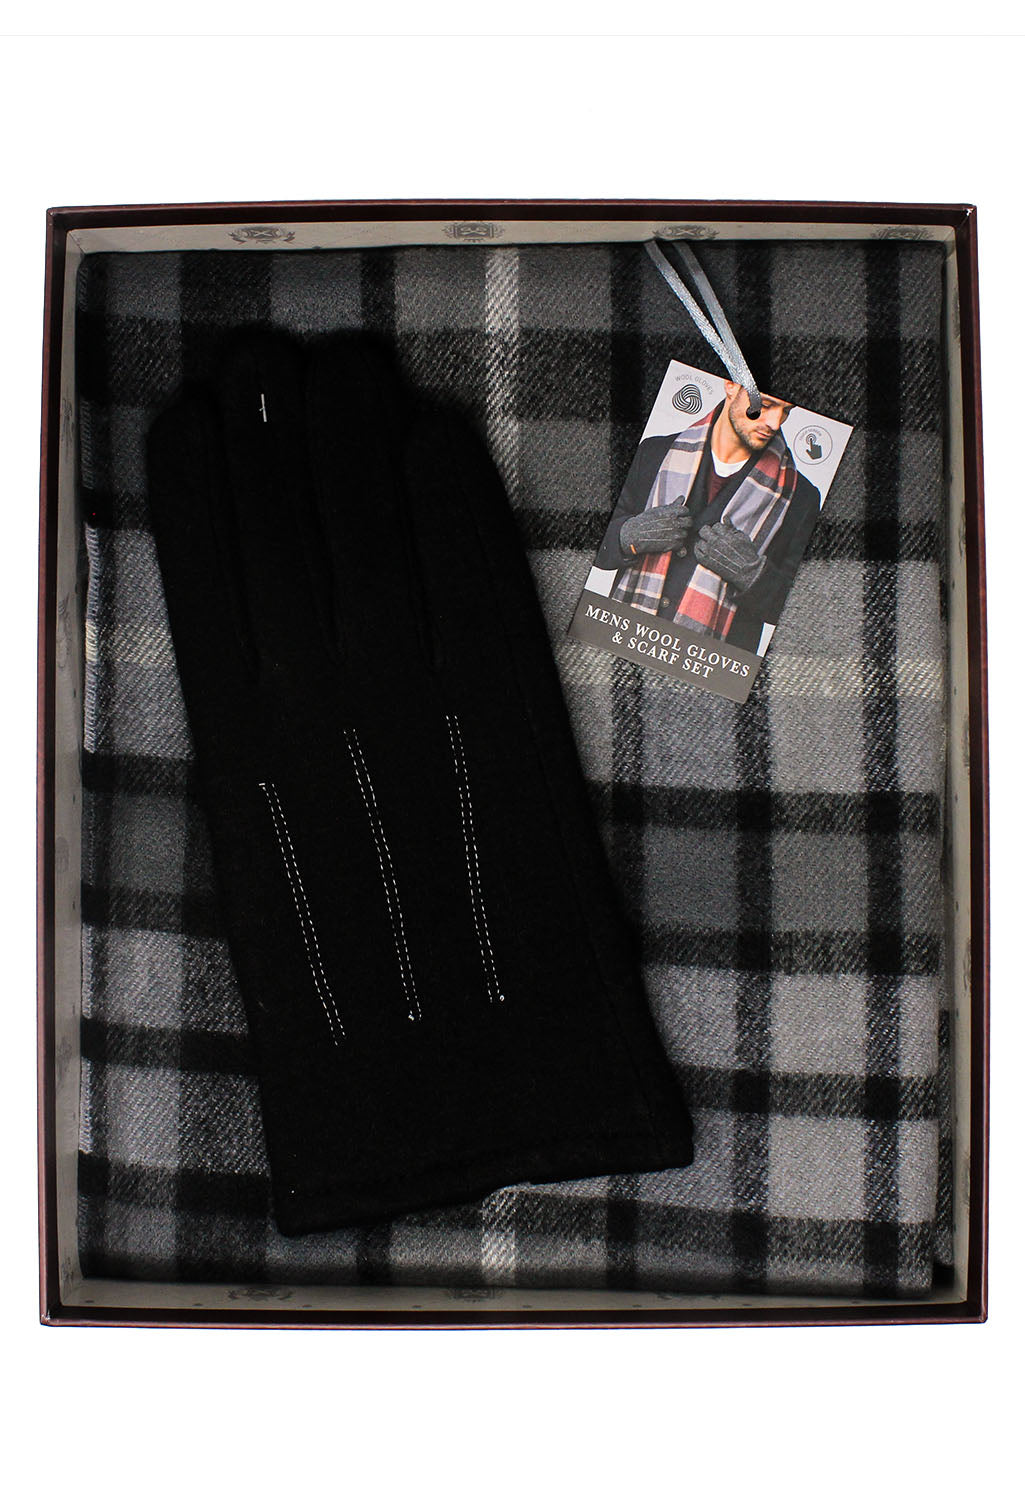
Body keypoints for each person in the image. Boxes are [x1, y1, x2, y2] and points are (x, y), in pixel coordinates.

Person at [596, 381, 821, 653]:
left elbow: (798, 610)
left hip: (715, 665)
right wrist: (627, 537)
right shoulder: (653, 452)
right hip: (622, 641)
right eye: (766, 405)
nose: (775, 423)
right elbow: (590, 548)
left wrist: (753, 576)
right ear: (731, 386)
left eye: (786, 411)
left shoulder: (802, 498)